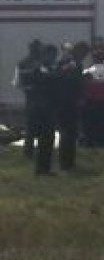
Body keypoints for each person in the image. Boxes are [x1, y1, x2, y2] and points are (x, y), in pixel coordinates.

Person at [52, 41, 91, 172]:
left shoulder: (64, 61)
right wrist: (84, 80)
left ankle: (68, 162)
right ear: (79, 51)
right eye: (84, 53)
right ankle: (67, 162)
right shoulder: (73, 63)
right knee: (68, 133)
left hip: (62, 101)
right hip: (68, 102)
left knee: (69, 132)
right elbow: (72, 81)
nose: (84, 56)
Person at [13, 39, 45, 159]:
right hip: (37, 99)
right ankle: (35, 151)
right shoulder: (43, 63)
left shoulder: (22, 63)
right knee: (38, 127)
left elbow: (17, 83)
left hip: (31, 98)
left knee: (32, 127)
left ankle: (30, 152)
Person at [31, 44, 59, 176]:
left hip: (49, 106)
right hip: (42, 108)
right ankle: (41, 168)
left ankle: (45, 168)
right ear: (45, 55)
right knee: (44, 139)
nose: (54, 58)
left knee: (49, 138)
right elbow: (44, 81)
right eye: (52, 55)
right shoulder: (40, 68)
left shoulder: (48, 68)